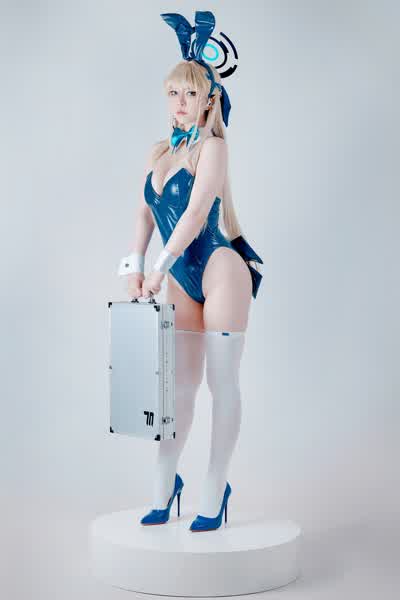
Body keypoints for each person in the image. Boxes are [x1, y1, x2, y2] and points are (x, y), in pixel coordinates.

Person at [118, 11, 263, 532]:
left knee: (222, 385)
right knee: (177, 389)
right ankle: (165, 481)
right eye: (173, 93)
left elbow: (198, 213)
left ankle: (215, 487)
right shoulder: (158, 152)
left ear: (209, 99)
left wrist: (158, 269)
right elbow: (143, 216)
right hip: (176, 275)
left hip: (220, 269)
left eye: (190, 92)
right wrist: (133, 270)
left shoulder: (214, 148)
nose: (180, 102)